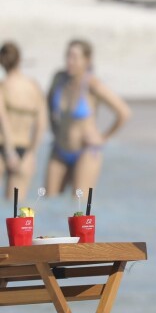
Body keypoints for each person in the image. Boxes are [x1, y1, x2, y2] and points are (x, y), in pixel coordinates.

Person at [46, 39, 132, 197]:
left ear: (87, 60)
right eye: (68, 56)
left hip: (85, 151)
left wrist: (104, 138)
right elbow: (48, 103)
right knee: (48, 202)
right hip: (59, 149)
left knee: (78, 208)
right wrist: (54, 129)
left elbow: (124, 112)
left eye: (75, 57)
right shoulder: (59, 79)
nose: (69, 61)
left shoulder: (92, 84)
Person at [0, 41, 48, 200]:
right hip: (25, 150)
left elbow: (3, 120)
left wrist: (9, 151)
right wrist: (31, 153)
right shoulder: (34, 86)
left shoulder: (3, 86)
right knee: (16, 212)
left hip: (4, 148)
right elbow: (41, 124)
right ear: (20, 60)